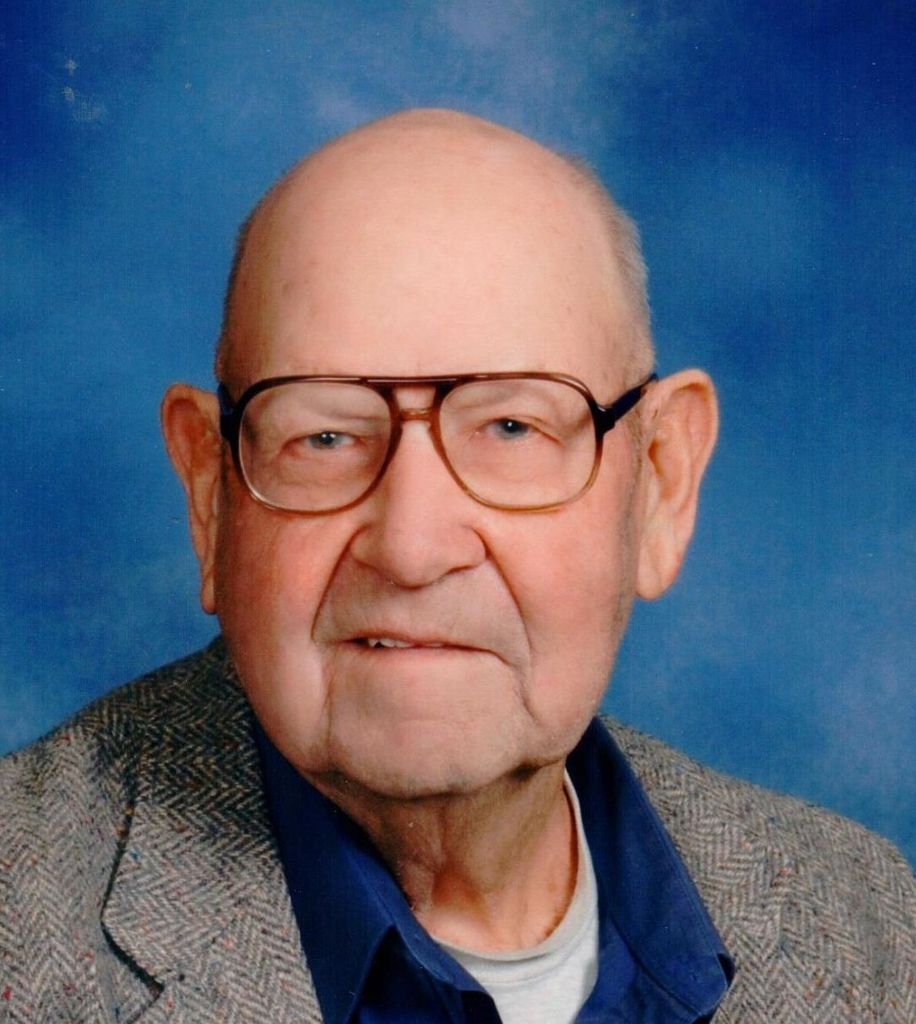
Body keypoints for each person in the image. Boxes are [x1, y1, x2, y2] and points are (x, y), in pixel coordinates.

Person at [0, 109, 912, 1024]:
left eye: (512, 427)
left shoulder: (869, 922)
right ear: (211, 495)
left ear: (661, 484)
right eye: (325, 436)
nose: (412, 548)